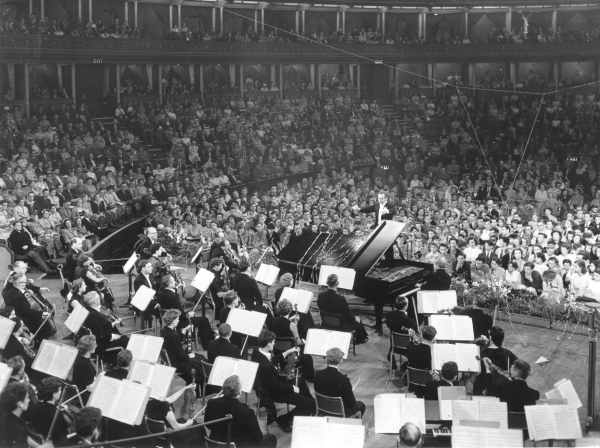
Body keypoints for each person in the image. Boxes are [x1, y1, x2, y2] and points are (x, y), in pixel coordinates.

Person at [251, 330, 314, 432]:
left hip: (274, 384)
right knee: (309, 405)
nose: (274, 343)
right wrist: (293, 388)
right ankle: (284, 419)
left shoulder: (258, 351)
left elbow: (272, 361)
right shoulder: (265, 367)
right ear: (268, 344)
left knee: (301, 381)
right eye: (273, 342)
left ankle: (312, 404)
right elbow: (276, 387)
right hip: (274, 392)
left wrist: (288, 351)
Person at [205, 375, 277, 448]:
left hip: (216, 443)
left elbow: (208, 425)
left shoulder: (211, 402)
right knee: (271, 438)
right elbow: (258, 438)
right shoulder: (247, 412)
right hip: (238, 445)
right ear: (239, 392)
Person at [157, 275, 215, 349]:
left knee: (195, 316)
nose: (175, 282)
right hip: (178, 320)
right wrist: (189, 314)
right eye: (173, 281)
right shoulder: (173, 297)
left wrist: (176, 287)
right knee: (204, 320)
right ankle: (208, 344)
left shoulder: (160, 291)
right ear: (169, 284)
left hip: (168, 317)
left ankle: (193, 337)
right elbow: (182, 315)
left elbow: (170, 295)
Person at [160, 309, 208, 398]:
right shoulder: (174, 336)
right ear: (173, 321)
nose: (178, 321)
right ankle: (196, 392)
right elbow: (181, 355)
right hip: (178, 363)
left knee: (198, 356)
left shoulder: (164, 331)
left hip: (169, 360)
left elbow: (175, 342)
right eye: (177, 319)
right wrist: (189, 355)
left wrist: (185, 330)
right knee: (200, 359)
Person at [146, 382, 204, 448]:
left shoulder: (149, 401)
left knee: (186, 421)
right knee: (198, 427)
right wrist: (188, 423)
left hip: (158, 434)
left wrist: (185, 388)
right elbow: (176, 427)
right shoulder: (165, 406)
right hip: (171, 435)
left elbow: (171, 399)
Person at [314, 347, 365, 418]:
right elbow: (352, 403)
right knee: (361, 405)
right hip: (340, 412)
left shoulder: (317, 374)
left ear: (327, 359)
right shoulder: (344, 379)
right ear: (341, 360)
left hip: (323, 409)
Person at [317, 274, 368, 344]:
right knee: (358, 321)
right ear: (337, 283)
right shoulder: (341, 299)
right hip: (340, 326)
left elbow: (320, 307)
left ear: (327, 283)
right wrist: (355, 318)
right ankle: (361, 339)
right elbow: (348, 313)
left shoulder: (320, 295)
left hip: (326, 323)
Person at [272, 299, 315, 382]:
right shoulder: (292, 325)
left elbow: (283, 323)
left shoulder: (275, 320)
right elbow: (298, 341)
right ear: (290, 310)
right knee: (308, 357)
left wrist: (290, 319)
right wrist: (304, 341)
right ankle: (310, 378)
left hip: (278, 351)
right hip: (291, 352)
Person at [5, 274, 54, 345]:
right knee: (46, 326)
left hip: (21, 315)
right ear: (20, 284)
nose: (27, 283)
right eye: (25, 282)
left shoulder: (15, 290)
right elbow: (26, 311)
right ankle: (39, 345)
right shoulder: (17, 296)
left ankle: (36, 339)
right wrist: (41, 314)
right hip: (21, 319)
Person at [0, 382, 52, 448]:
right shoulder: (17, 430)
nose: (29, 400)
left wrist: (39, 446)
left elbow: (25, 437)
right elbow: (20, 436)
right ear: (20, 404)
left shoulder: (6, 416)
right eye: (27, 398)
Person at [26, 377, 70, 442]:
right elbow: (64, 434)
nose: (61, 392)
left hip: (40, 437)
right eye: (60, 390)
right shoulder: (57, 415)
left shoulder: (38, 405)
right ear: (54, 394)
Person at [386, 297, 418, 370]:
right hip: (407, 348)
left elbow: (389, 326)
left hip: (394, 346)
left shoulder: (389, 315)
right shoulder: (410, 321)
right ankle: (405, 367)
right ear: (405, 306)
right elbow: (416, 337)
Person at [406, 325, 437, 397]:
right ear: (433, 338)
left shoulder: (410, 347)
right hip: (429, 384)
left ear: (421, 335)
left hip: (413, 382)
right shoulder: (434, 353)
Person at [132, 259, 160, 325]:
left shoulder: (150, 275)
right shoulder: (138, 280)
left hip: (152, 299)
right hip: (145, 303)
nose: (152, 268)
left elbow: (154, 289)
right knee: (162, 308)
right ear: (143, 269)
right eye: (149, 267)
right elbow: (142, 296)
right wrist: (154, 303)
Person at [72, 335, 98, 404]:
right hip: (84, 395)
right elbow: (90, 388)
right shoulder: (84, 364)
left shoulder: (81, 357)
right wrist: (100, 378)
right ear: (89, 348)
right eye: (95, 345)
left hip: (82, 389)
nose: (96, 346)